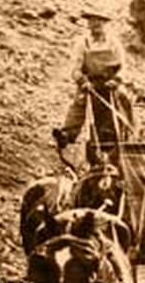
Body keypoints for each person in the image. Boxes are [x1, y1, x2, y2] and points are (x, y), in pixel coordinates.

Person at [53, 10, 135, 167]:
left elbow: (123, 67)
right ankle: (67, 135)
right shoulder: (82, 43)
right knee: (80, 103)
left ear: (105, 24)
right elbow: (75, 68)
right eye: (92, 23)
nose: (96, 27)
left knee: (121, 104)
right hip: (89, 84)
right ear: (89, 25)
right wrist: (83, 81)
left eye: (99, 23)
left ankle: (125, 136)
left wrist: (116, 80)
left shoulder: (114, 43)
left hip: (109, 84)